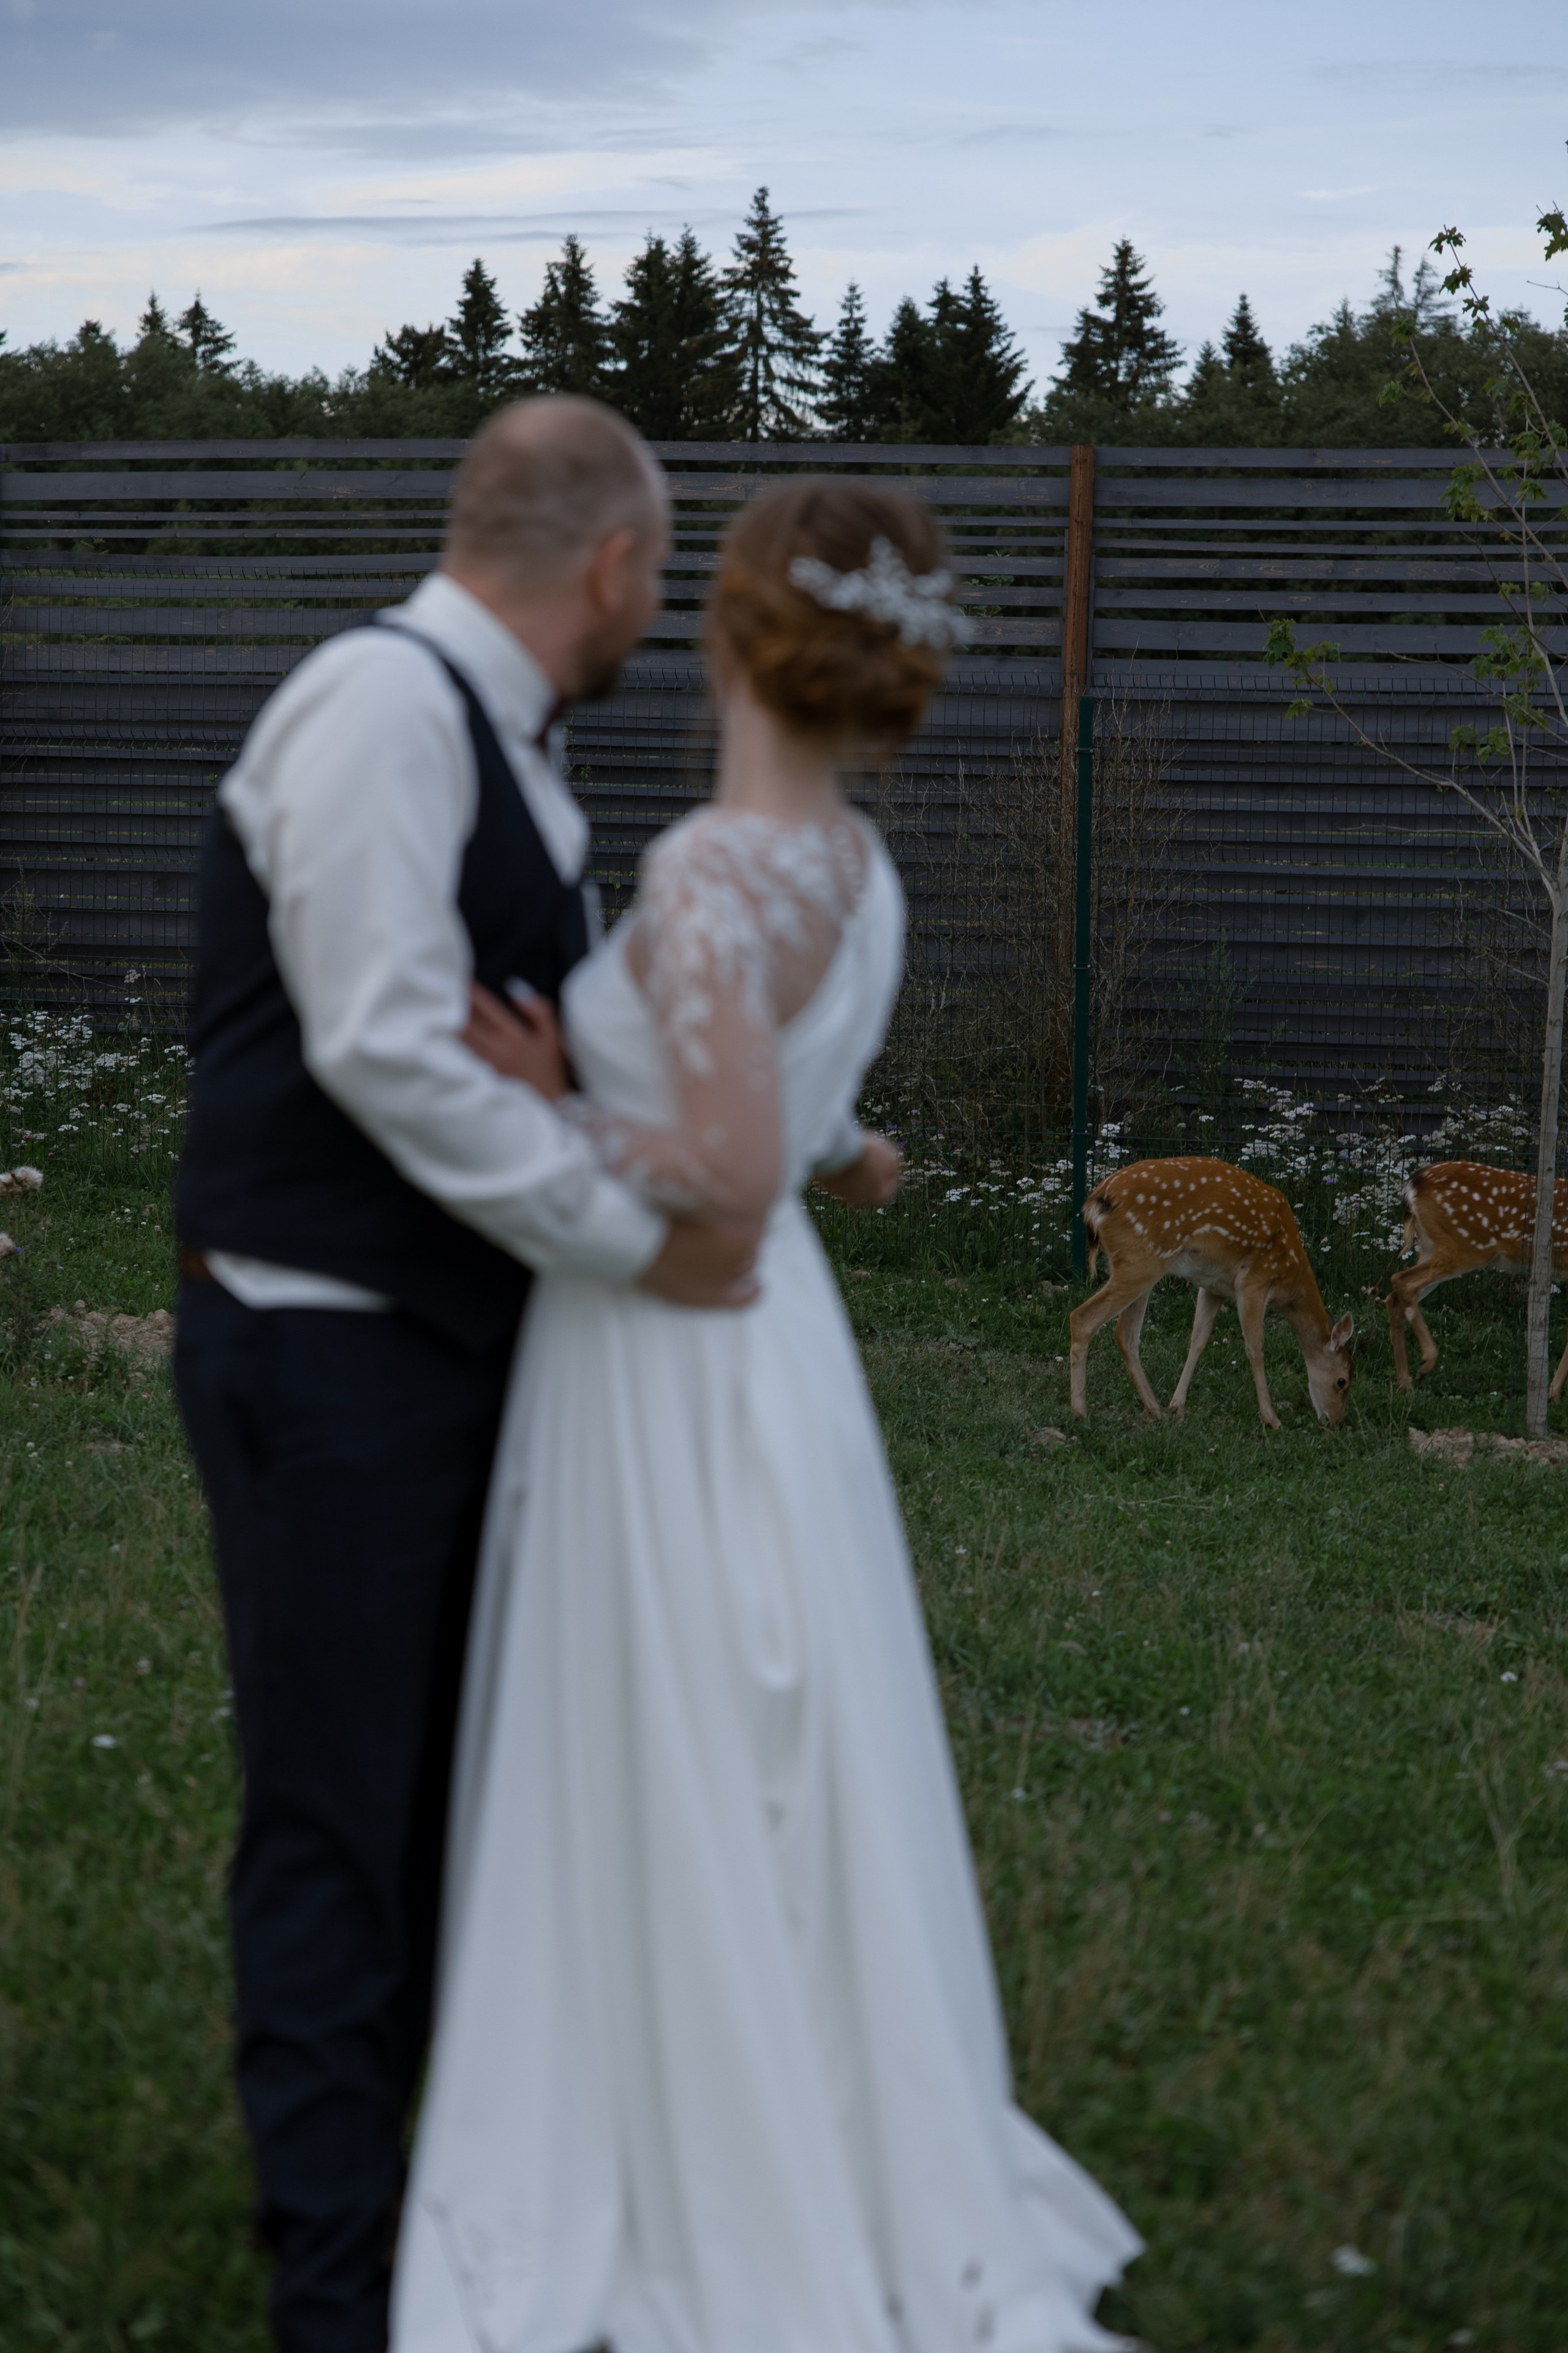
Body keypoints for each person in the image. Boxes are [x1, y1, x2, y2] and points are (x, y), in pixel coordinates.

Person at [172, 399, 902, 2353]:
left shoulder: (517, 752)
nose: (662, 611)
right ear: (610, 566)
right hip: (324, 1349)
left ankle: (478, 2202)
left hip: (468, 1364)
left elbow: (601, 1033)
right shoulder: (381, 708)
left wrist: (799, 1139)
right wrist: (638, 1237)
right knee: (335, 1821)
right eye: (660, 572)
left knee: (448, 1811)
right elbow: (391, 1045)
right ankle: (337, 2298)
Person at [393, 480, 1141, 2353]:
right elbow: (844, 1154)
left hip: (680, 1338)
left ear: (728, 636)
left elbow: (723, 1176)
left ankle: (684, 2139)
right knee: (764, 1712)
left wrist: (558, 1093)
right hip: (780, 1342)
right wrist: (811, 1140)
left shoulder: (723, 869)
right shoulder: (858, 874)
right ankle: (795, 2101)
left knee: (671, 1706)